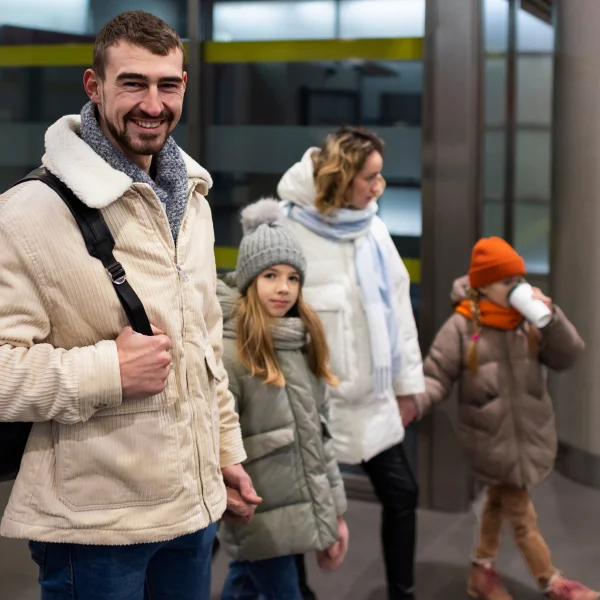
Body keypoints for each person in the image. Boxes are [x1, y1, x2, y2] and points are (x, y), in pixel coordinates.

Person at [0, 11, 259, 600]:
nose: (152, 103)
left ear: (184, 86)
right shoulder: (24, 215)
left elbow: (203, 341)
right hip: (96, 528)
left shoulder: (191, 197)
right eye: (133, 83)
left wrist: (223, 453)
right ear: (94, 87)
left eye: (167, 85)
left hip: (191, 513)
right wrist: (108, 371)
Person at [278, 127, 425, 600]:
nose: (379, 188)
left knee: (403, 493)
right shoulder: (289, 229)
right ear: (342, 178)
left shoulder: (373, 229)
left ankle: (402, 593)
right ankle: (295, 592)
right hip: (314, 407)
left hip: (374, 400)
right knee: (299, 507)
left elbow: (398, 312)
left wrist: (407, 387)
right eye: (371, 178)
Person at [407, 237, 597, 600]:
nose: (517, 288)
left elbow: (568, 355)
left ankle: (481, 572)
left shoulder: (527, 323)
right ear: (483, 286)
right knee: (523, 518)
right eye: (507, 281)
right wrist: (411, 406)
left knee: (496, 501)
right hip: (490, 441)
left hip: (529, 435)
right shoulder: (462, 327)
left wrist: (551, 317)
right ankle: (554, 583)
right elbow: (435, 376)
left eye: (519, 280)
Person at [216, 198, 349, 599]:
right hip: (258, 514)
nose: (283, 288)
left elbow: (320, 441)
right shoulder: (232, 353)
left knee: (243, 585)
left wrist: (336, 513)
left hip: (294, 510)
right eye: (270, 275)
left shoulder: (301, 343)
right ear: (249, 279)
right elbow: (218, 443)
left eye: (293, 278)